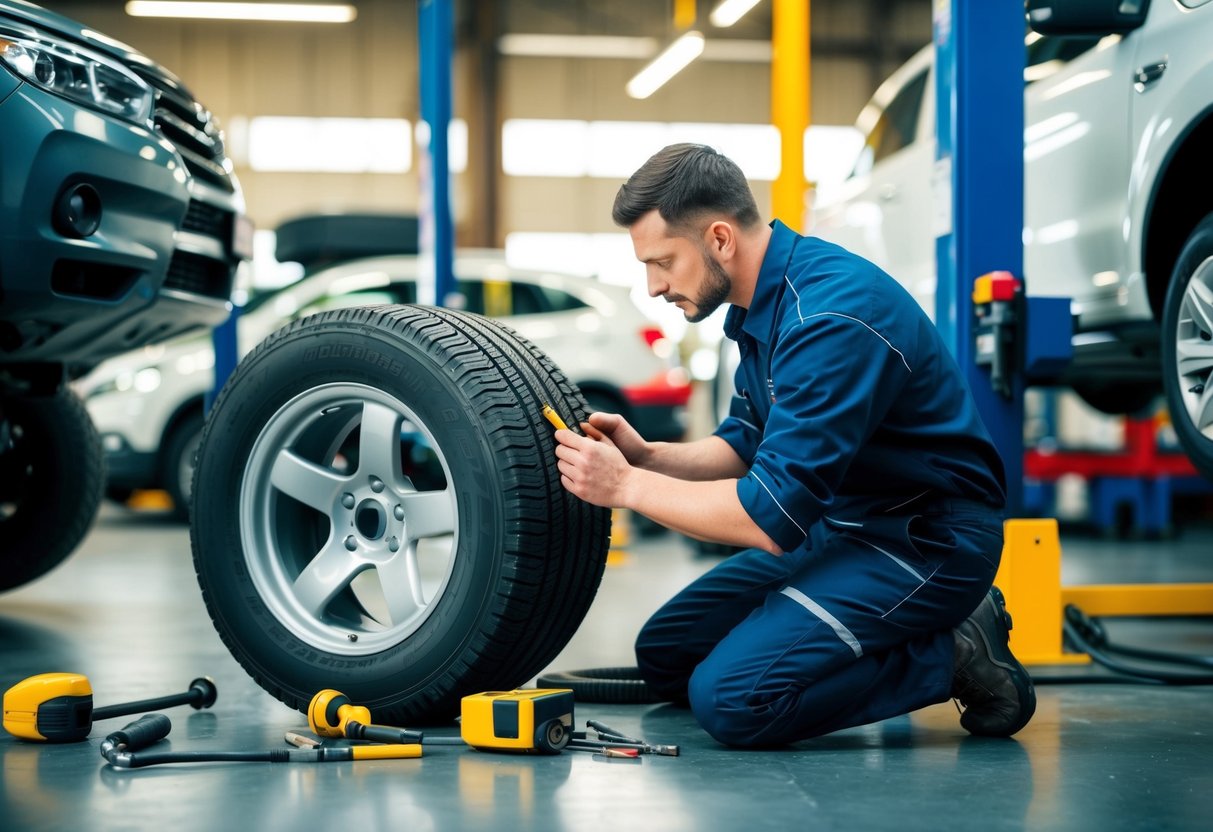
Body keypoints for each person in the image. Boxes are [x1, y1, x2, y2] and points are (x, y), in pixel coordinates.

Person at [552, 143, 1036, 747]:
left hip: (925, 545)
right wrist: (648, 456)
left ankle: (954, 650)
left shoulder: (829, 317)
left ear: (720, 239)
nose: (654, 287)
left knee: (734, 700)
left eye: (663, 262)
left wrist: (626, 486)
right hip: (845, 524)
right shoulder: (762, 307)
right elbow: (747, 443)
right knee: (667, 654)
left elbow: (770, 517)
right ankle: (863, 630)